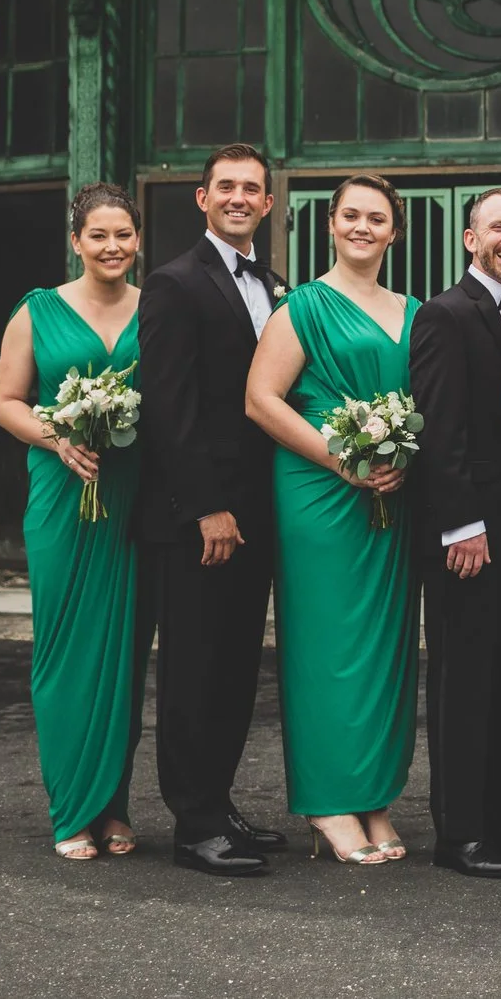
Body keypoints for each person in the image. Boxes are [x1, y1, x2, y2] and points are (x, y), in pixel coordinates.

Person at [243, 175, 421, 867]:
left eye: (377, 218)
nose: (363, 226)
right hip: (320, 492)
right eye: (351, 214)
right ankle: (326, 800)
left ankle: (373, 793)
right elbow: (261, 399)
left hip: (390, 496)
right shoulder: (302, 307)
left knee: (387, 647)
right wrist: (340, 458)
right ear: (330, 223)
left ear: (394, 231)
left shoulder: (413, 308)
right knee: (327, 647)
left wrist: (404, 456)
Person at [136, 144, 291, 877]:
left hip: (259, 511)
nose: (238, 197)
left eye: (251, 188)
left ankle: (220, 802)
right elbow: (168, 407)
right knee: (195, 667)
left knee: (234, 668)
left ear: (268, 203)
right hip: (201, 519)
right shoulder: (172, 284)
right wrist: (206, 508)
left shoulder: (275, 282)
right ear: (202, 198)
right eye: (224, 186)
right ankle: (192, 822)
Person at [0, 182, 148, 861]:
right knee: (64, 652)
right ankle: (70, 808)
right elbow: (6, 401)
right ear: (77, 240)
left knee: (124, 655)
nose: (112, 246)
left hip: (133, 499)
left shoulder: (157, 307)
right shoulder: (37, 311)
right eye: (99, 235)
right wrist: (57, 435)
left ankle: (111, 806)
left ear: (138, 241)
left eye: (123, 235)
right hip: (62, 496)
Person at [407, 188, 501, 880]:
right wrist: (462, 524)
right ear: (470, 238)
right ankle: (456, 834)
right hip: (470, 534)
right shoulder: (444, 313)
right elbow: (438, 426)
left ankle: (496, 823)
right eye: (497, 226)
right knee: (463, 680)